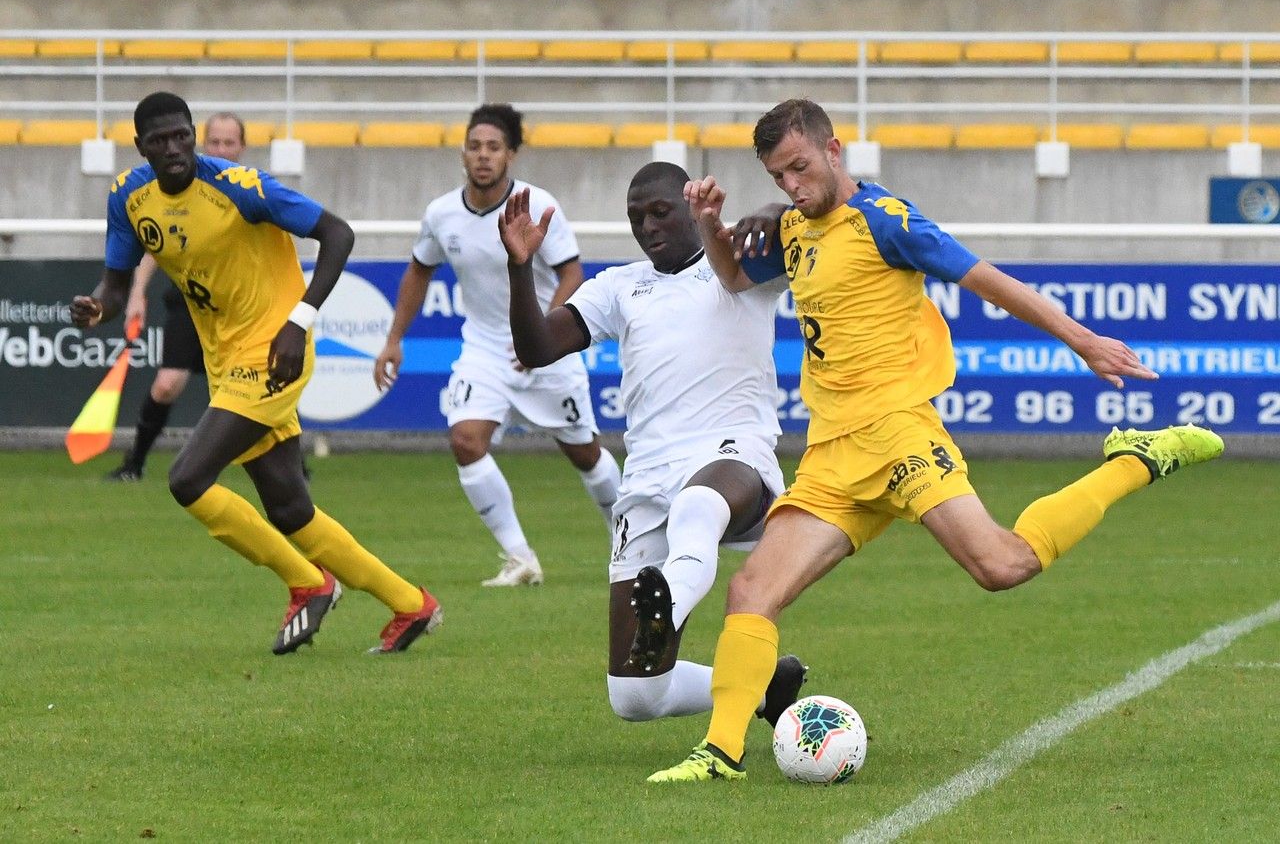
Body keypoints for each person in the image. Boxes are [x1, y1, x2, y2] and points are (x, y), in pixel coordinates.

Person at [648, 98, 1225, 782]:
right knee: (751, 591)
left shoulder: (887, 221)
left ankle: (1133, 460)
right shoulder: (794, 231)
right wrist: (712, 225)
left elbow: (989, 280)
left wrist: (1085, 340)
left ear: (834, 150)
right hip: (832, 456)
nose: (793, 187)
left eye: (801, 168)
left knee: (1003, 566)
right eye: (779, 177)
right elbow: (735, 275)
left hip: (899, 435)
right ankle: (720, 753)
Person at [71, 91, 441, 655]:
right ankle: (411, 605)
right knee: (291, 509)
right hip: (226, 360)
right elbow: (117, 285)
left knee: (187, 479)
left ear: (193, 134)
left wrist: (300, 320)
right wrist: (99, 306)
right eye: (160, 140)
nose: (174, 148)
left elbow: (338, 233)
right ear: (140, 147)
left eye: (182, 135)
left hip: (275, 353)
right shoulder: (128, 198)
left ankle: (309, 584)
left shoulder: (239, 188)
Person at [497, 165, 806, 728]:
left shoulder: (740, 264)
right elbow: (538, 347)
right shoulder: (620, 286)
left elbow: (805, 220)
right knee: (636, 697)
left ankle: (669, 598)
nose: (647, 225)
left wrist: (774, 212)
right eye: (636, 217)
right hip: (646, 479)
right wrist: (520, 267)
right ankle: (762, 691)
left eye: (660, 211)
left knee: (696, 506)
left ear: (691, 207)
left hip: (732, 455)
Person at [374, 103, 620, 587]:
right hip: (485, 350)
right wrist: (393, 340)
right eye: (474, 146)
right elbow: (419, 270)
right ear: (462, 153)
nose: (483, 156)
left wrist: (545, 336)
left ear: (511, 155)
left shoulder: (537, 205)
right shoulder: (441, 214)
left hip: (545, 349)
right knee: (466, 441)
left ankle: (632, 540)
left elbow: (572, 272)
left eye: (493, 147)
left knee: (585, 453)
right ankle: (520, 558)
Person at [106, 112, 249, 482]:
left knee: (257, 390)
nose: (220, 149)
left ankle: (292, 468)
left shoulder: (250, 192)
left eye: (228, 143)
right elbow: (156, 245)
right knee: (167, 384)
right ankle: (133, 464)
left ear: (242, 148)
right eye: (214, 142)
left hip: (241, 309)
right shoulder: (185, 187)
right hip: (191, 301)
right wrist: (138, 292)